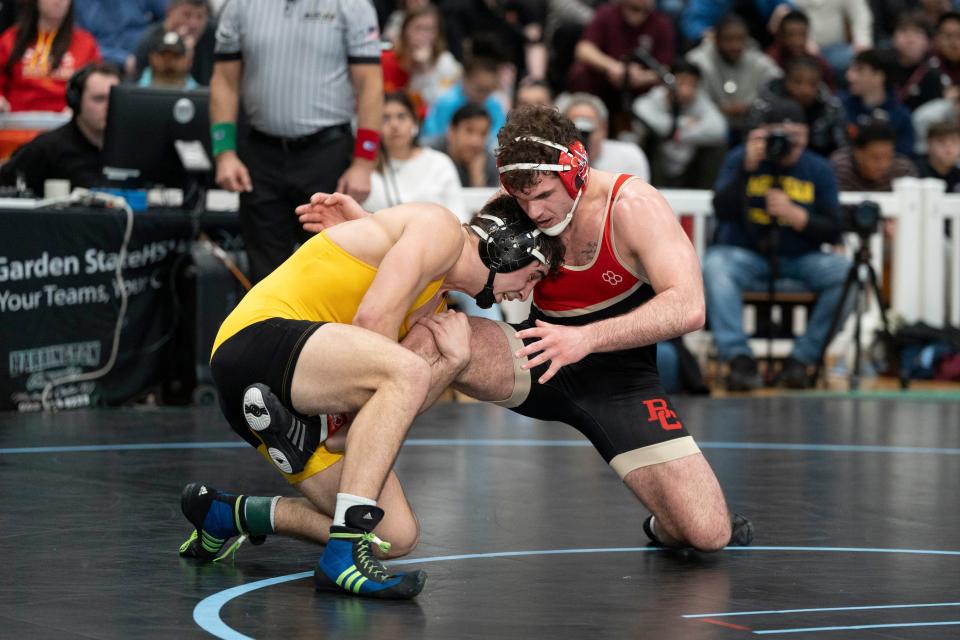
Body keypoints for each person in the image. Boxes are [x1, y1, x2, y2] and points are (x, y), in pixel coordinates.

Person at [298, 104, 754, 552]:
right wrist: (369, 231)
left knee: (708, 534)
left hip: (620, 383)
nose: (534, 213)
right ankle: (335, 430)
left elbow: (689, 306)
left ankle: (666, 522)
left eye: (543, 196)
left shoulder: (633, 206)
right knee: (439, 336)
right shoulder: (513, 206)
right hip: (536, 355)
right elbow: (447, 257)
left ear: (574, 170)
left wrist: (586, 338)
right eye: (522, 199)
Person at [179, 194, 564, 600]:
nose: (525, 294)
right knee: (406, 370)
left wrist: (452, 364)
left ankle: (227, 514)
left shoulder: (436, 303)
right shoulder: (440, 229)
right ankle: (343, 550)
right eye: (534, 276)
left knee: (394, 536)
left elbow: (395, 410)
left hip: (281, 397)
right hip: (256, 343)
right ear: (508, 248)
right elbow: (372, 322)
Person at [210, 0, 384, 284]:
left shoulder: (352, 5)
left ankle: (328, 331)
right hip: (261, 153)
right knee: (263, 276)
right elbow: (223, 80)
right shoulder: (239, 5)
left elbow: (370, 84)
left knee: (330, 268)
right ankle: (267, 329)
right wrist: (224, 151)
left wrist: (364, 163)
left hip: (325, 153)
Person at [704, 97, 851, 390]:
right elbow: (721, 208)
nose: (787, 145)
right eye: (779, 136)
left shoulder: (818, 169)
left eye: (795, 137)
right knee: (716, 264)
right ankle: (739, 359)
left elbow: (834, 229)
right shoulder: (741, 158)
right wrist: (746, 169)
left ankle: (802, 359)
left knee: (846, 272)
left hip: (802, 258)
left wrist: (799, 217)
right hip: (748, 254)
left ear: (807, 136)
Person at [0, 62, 119, 195]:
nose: (109, 106)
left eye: (115, 98)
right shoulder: (45, 149)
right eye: (99, 99)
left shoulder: (132, 149)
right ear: (76, 101)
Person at [566, 0, 675, 127]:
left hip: (640, 91)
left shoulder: (662, 23)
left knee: (663, 92)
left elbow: (665, 69)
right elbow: (583, 49)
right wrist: (613, 66)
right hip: (605, 80)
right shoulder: (606, 14)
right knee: (580, 73)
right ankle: (581, 123)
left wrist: (640, 78)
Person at [363, 92, 466, 220]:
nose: (394, 125)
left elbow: (459, 216)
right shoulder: (364, 167)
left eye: (401, 117)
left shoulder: (440, 163)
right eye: (385, 118)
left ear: (415, 123)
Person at [632, 60, 728, 187]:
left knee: (718, 147)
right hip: (658, 163)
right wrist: (685, 123)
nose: (686, 90)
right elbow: (639, 109)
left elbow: (720, 129)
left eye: (692, 85)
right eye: (682, 82)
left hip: (689, 166)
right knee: (646, 136)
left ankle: (705, 194)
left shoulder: (700, 101)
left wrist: (677, 134)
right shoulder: (655, 98)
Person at [686, 14, 782, 141]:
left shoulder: (757, 59)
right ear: (716, 39)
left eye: (740, 39)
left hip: (750, 127)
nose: (735, 46)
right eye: (729, 39)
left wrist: (752, 107)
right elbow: (690, 102)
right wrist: (719, 110)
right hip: (710, 129)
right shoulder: (697, 61)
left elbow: (779, 83)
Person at [0, 0, 100, 113]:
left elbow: (95, 87)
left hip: (66, 121)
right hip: (17, 121)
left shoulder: (86, 43)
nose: (59, 2)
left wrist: (80, 108)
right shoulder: (10, 39)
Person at [380, 5, 462, 119]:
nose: (423, 35)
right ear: (405, 30)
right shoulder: (386, 60)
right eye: (418, 28)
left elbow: (442, 107)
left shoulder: (445, 63)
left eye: (429, 29)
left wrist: (426, 69)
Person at [762, 55, 848, 158]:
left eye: (813, 84)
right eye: (798, 82)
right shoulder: (766, 105)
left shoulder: (831, 108)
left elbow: (842, 147)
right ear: (785, 81)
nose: (805, 90)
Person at [555, 91, 651, 180]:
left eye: (588, 129)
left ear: (604, 129)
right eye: (575, 130)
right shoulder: (554, 161)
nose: (582, 138)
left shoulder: (629, 156)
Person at [841, 48, 915, 157]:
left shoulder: (901, 117)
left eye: (859, 70)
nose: (849, 76)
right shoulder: (840, 106)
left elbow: (904, 157)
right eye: (851, 69)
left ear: (879, 76)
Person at [419, 55, 505, 149]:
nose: (484, 95)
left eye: (488, 90)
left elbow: (498, 137)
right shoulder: (446, 102)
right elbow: (432, 137)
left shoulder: (494, 104)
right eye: (479, 89)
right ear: (465, 79)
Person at [73, 0, 166, 76]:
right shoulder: (79, 4)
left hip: (147, 60)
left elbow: (169, 18)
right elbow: (79, 43)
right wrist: (123, 59)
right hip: (100, 65)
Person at [133, 0, 215, 86]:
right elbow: (140, 87)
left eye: (200, 17)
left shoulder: (214, 36)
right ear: (170, 11)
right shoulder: (150, 41)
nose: (193, 24)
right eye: (187, 15)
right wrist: (179, 44)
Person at [830, 119, 918, 191]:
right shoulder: (841, 167)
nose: (883, 165)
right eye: (876, 158)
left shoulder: (903, 170)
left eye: (889, 157)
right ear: (858, 153)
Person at [792, 0, 874, 76]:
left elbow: (860, 13)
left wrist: (862, 41)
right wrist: (805, 42)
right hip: (801, 51)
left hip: (838, 51)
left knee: (865, 63)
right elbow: (790, 14)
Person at [430, 103, 500, 188]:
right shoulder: (430, 153)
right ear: (451, 131)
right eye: (469, 131)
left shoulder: (489, 164)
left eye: (483, 133)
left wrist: (477, 179)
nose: (475, 141)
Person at [764, 10, 835, 89]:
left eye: (801, 35)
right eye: (791, 35)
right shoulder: (770, 60)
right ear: (781, 35)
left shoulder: (818, 62)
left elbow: (830, 91)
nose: (797, 41)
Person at [918, 119, 960, 192]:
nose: (948, 148)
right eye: (941, 141)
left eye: (954, 141)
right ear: (929, 144)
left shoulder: (958, 176)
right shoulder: (914, 173)